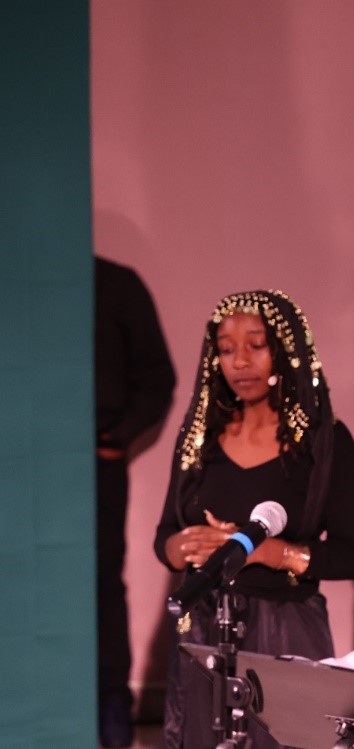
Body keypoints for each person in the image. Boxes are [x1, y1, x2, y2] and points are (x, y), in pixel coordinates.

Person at [154, 289, 354, 748]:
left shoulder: (325, 442)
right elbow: (164, 539)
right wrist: (188, 545)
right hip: (205, 627)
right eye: (226, 349)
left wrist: (263, 551)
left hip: (286, 628)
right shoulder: (200, 437)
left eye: (256, 344)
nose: (239, 361)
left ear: (285, 350)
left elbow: (353, 555)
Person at [94, 256, 177, 748]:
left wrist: (116, 437)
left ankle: (108, 716)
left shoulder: (115, 283)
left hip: (91, 465)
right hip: (19, 463)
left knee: (100, 582)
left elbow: (156, 376)